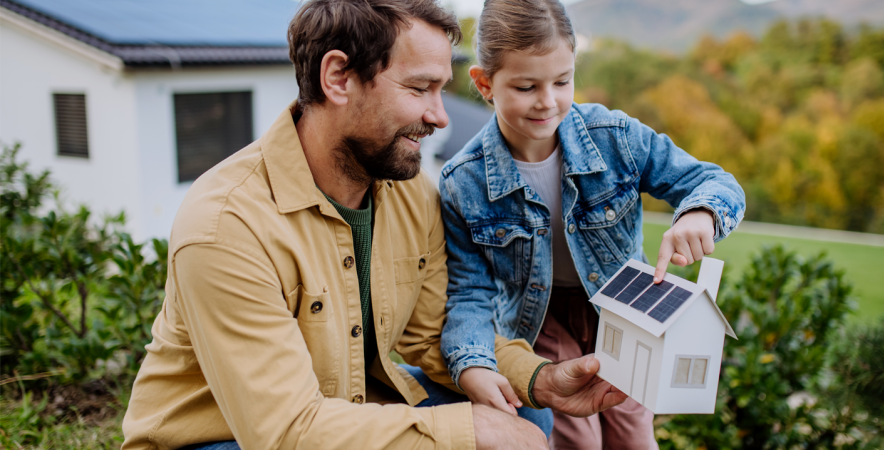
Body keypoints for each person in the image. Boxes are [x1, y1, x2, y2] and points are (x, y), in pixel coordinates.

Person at [121, 1, 628, 449]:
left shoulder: (408, 190)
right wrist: (468, 432)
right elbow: (284, 433)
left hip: (342, 406)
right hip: (226, 438)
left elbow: (436, 333)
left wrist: (540, 378)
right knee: (481, 431)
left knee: (521, 407)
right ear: (338, 77)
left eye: (441, 90)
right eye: (419, 89)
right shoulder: (227, 225)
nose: (439, 116)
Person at [438, 0, 746, 448]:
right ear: (485, 83)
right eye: (526, 86)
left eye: (562, 81)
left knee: (633, 438)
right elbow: (468, 290)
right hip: (537, 323)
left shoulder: (614, 137)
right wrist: (473, 362)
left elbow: (712, 181)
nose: (548, 101)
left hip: (624, 312)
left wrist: (701, 212)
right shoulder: (463, 182)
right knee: (576, 440)